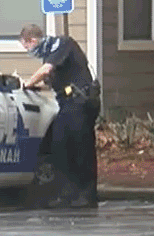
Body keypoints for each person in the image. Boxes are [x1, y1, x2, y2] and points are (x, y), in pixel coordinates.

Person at [20, 23, 99, 208]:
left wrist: (28, 83)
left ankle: (87, 195)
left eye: (27, 47)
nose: (28, 51)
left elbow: (46, 70)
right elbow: (53, 80)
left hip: (81, 101)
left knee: (82, 148)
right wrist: (34, 87)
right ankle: (67, 193)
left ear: (32, 40)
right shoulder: (49, 55)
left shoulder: (62, 44)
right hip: (66, 103)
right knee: (60, 147)